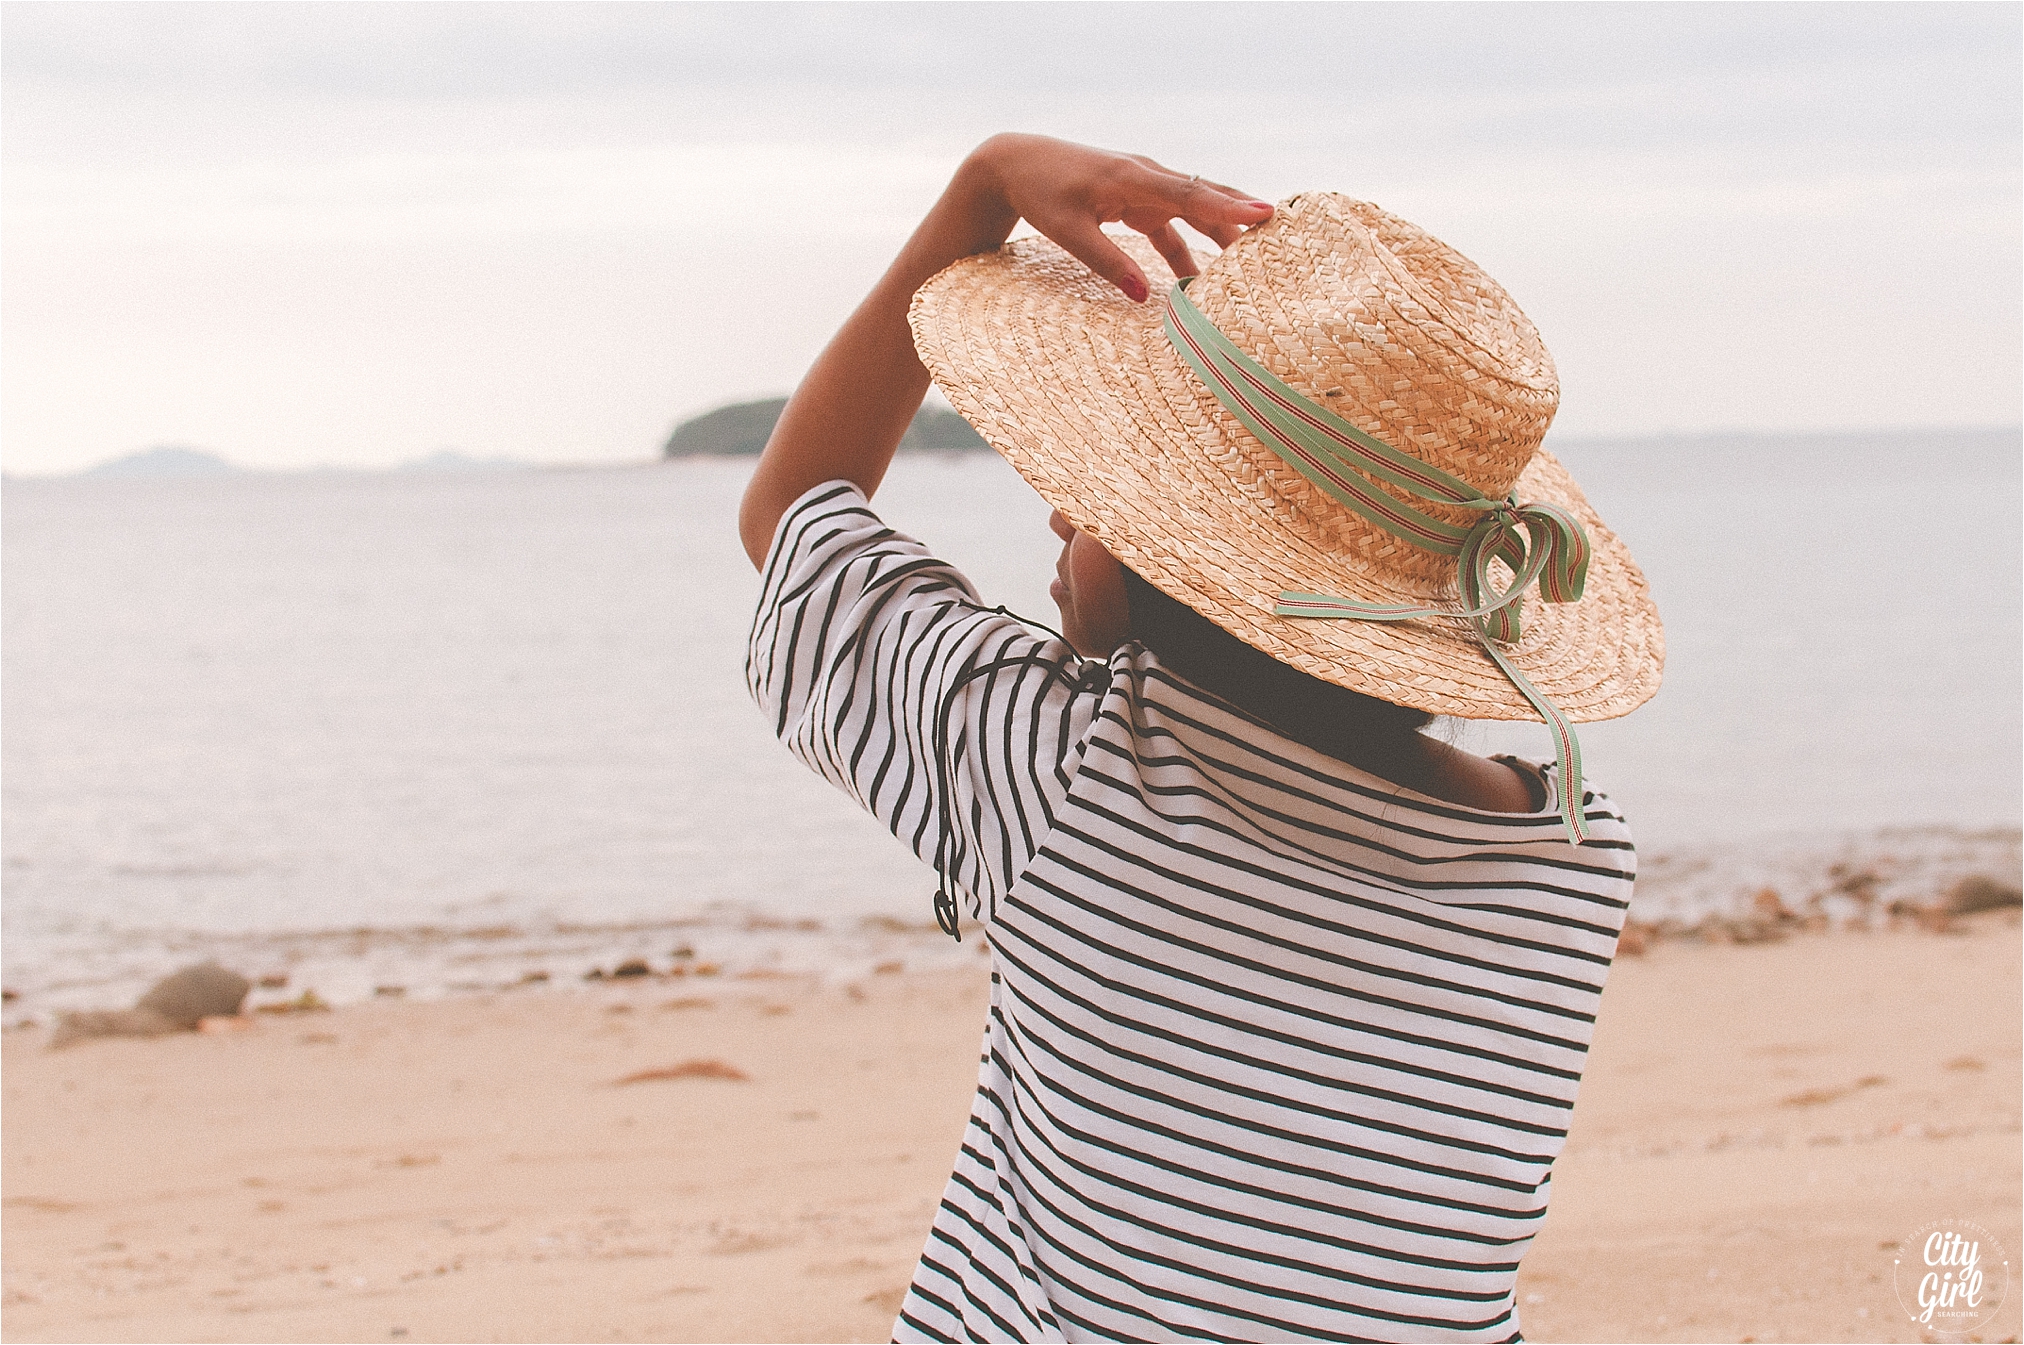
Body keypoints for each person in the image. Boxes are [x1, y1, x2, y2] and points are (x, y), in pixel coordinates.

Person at [740, 133, 1663, 1344]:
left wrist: (981, 187)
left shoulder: (1072, 767)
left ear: (1176, 570)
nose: (1062, 512)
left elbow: (795, 513)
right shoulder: (1573, 853)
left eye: (1098, 497)